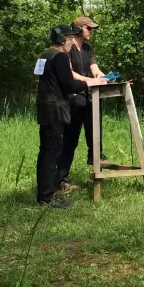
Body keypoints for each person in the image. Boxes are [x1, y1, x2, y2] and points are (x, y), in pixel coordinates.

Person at [34, 24, 102, 208]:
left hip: (44, 107)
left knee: (46, 150)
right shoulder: (60, 57)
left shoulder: (44, 55)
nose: (72, 42)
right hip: (55, 108)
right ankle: (47, 197)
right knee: (52, 151)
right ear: (61, 39)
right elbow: (70, 84)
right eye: (70, 38)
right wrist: (91, 84)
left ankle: (45, 193)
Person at [57, 16, 107, 189]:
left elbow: (94, 67)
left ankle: (95, 155)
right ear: (79, 29)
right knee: (70, 140)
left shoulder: (88, 48)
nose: (91, 32)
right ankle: (61, 179)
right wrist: (90, 81)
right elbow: (71, 74)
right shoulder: (68, 48)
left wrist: (101, 77)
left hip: (88, 96)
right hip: (72, 97)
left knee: (95, 126)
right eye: (89, 28)